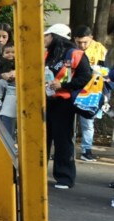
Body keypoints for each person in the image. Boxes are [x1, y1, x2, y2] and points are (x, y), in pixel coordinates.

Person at [44, 23, 92, 189]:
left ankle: (65, 177)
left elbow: (86, 77)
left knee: (63, 140)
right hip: (46, 101)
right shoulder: (47, 55)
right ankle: (37, 174)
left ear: (56, 37)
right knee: (42, 139)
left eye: (47, 35)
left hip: (64, 103)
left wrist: (64, 86)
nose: (44, 38)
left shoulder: (75, 54)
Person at [72, 25, 107, 161]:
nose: (82, 45)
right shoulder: (71, 50)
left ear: (91, 38)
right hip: (73, 88)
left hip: (91, 90)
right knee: (68, 122)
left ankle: (87, 150)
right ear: (74, 39)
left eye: (85, 42)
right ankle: (67, 150)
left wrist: (104, 93)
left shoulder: (100, 50)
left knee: (87, 123)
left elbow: (105, 71)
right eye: (79, 42)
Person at [0, 43, 17, 139]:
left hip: (14, 87)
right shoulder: (0, 62)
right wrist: (2, 75)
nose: (10, 55)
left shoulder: (18, 62)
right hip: (4, 83)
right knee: (0, 83)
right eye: (7, 52)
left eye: (13, 52)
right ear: (2, 54)